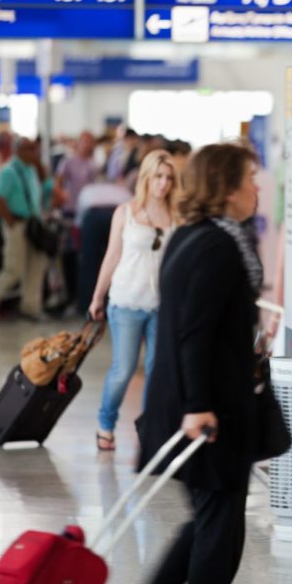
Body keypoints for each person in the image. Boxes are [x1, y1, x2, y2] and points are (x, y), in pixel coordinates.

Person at [137, 143, 262, 584]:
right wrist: (196, 405)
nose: (257, 186)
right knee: (217, 526)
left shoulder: (197, 235)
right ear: (228, 189)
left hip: (213, 402)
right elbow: (193, 331)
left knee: (215, 522)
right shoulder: (215, 244)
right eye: (250, 178)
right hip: (206, 408)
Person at [89, 150, 179, 451]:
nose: (163, 184)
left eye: (168, 178)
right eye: (158, 176)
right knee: (123, 370)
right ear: (146, 177)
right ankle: (105, 422)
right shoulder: (125, 212)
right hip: (125, 302)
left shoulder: (177, 217)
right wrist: (97, 296)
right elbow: (112, 255)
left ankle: (149, 429)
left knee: (156, 373)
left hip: (162, 306)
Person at [0, 138, 54, 321]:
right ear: (18, 150)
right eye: (29, 149)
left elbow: (46, 186)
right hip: (17, 224)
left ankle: (31, 306)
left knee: (36, 265)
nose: (33, 152)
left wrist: (39, 165)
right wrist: (10, 222)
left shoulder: (32, 170)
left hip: (33, 224)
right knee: (14, 268)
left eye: (35, 149)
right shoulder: (8, 171)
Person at [56, 131, 98, 218]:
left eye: (90, 142)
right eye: (85, 141)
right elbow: (58, 181)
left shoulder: (93, 163)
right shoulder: (68, 161)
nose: (87, 145)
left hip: (87, 206)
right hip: (70, 206)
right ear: (79, 142)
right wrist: (62, 195)